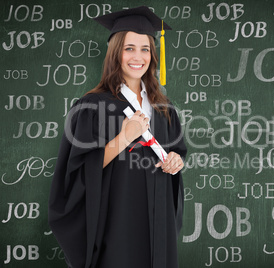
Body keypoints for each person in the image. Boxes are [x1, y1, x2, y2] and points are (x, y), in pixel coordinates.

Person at [48, 6, 187, 268]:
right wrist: (124, 138)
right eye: (129, 48)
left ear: (153, 54)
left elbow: (176, 152)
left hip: (159, 222)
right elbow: (77, 170)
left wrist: (175, 161)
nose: (138, 57)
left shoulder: (164, 108)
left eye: (145, 48)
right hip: (117, 221)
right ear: (115, 53)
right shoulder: (92, 106)